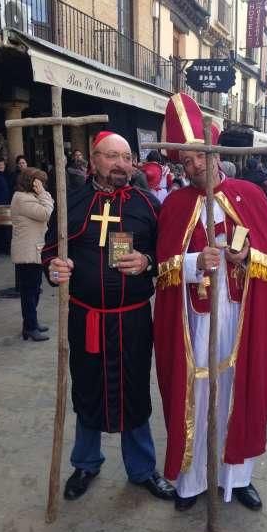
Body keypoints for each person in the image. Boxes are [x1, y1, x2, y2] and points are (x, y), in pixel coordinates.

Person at [154, 93, 267, 512]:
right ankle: (192, 482)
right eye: (186, 163)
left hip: (239, 317)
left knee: (238, 391)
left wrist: (247, 256)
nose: (194, 167)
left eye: (199, 158)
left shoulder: (249, 193)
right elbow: (163, 268)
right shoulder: (175, 204)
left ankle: (237, 478)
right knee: (195, 395)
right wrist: (195, 261)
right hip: (193, 322)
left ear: (215, 153)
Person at [41, 131, 174, 502]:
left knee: (134, 389)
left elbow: (168, 256)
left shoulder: (148, 204)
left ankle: (143, 469)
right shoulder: (72, 202)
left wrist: (148, 261)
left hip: (131, 320)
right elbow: (49, 251)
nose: (121, 164)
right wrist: (53, 268)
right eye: (112, 156)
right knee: (86, 388)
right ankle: (85, 462)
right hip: (86, 319)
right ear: (94, 159)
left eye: (126, 157)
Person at [11, 168, 54, 341]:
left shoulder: (30, 198)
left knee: (34, 290)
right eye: (40, 182)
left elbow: (49, 205)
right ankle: (30, 327)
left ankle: (31, 323)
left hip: (33, 250)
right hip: (27, 252)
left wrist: (43, 194)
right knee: (29, 291)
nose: (43, 186)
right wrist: (43, 193)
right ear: (32, 183)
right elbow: (45, 213)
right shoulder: (22, 199)